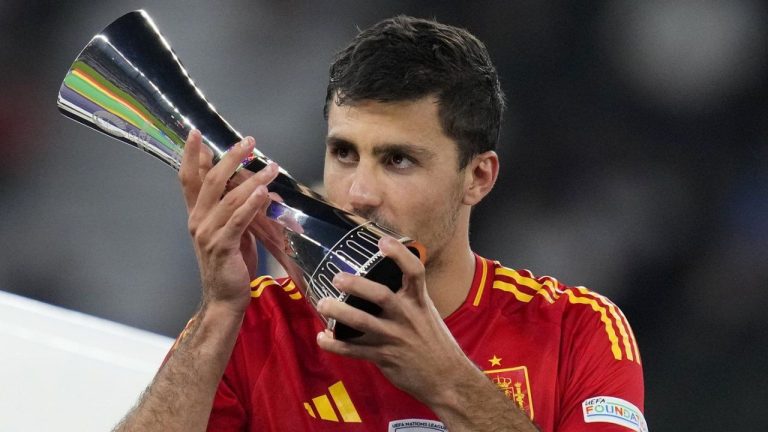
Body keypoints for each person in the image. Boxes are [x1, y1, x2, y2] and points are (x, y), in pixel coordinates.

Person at [114, 16, 646, 432]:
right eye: (344, 154)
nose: (360, 194)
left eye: (398, 160)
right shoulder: (254, 324)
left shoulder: (577, 330)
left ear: (477, 177)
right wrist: (218, 312)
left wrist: (446, 380)